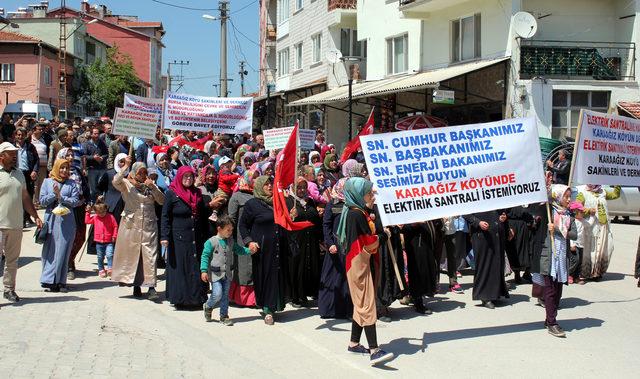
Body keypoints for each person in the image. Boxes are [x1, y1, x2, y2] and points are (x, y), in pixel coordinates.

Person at [337, 177, 394, 366]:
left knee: (360, 304)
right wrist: (383, 236)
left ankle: (354, 343)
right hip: (358, 264)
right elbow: (368, 242)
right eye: (369, 192)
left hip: (359, 263)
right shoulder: (356, 214)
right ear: (360, 194)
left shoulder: (358, 211)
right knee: (367, 304)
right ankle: (374, 349)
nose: (372, 195)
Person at [238, 176, 291, 325]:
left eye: (270, 184)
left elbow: (284, 221)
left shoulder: (278, 201)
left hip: (278, 245)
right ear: (259, 186)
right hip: (262, 248)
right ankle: (267, 310)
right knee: (265, 276)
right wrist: (249, 242)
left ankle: (274, 306)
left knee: (277, 275)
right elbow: (243, 225)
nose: (269, 187)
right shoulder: (252, 204)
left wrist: (290, 215)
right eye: (266, 184)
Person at [111, 159, 165, 300]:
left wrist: (153, 187)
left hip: (149, 225)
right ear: (134, 173)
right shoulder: (127, 184)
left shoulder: (150, 185)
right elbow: (115, 181)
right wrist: (125, 167)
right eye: (139, 172)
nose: (142, 175)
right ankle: (136, 285)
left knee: (150, 255)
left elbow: (162, 200)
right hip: (131, 224)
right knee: (134, 254)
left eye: (144, 172)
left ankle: (151, 286)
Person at [0, 142, 43, 302]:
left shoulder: (19, 173)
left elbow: (25, 197)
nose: (14, 157)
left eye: (15, 154)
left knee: (12, 260)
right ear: (1, 157)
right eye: (11, 154)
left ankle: (9, 289)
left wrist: (35, 216)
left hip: (16, 224)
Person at [161, 166, 208, 308]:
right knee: (181, 267)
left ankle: (196, 298)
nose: (188, 179)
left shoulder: (197, 193)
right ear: (180, 177)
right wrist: (165, 236)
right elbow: (165, 216)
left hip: (195, 236)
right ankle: (180, 299)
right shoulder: (171, 193)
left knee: (195, 265)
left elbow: (202, 215)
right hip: (178, 237)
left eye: (191, 176)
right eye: (185, 176)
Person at [200, 216, 259, 325]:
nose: (230, 232)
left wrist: (249, 251)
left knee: (225, 296)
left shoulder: (231, 241)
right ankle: (208, 306)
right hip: (215, 274)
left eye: (232, 230)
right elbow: (205, 256)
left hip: (227, 275)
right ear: (219, 229)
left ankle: (224, 316)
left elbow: (239, 250)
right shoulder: (211, 242)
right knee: (217, 293)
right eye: (228, 230)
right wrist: (203, 270)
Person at [539, 184, 577, 338]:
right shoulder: (548, 210)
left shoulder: (568, 214)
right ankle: (552, 322)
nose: (568, 199)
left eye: (569, 196)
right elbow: (535, 208)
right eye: (566, 196)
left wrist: (560, 229)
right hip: (550, 257)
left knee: (558, 291)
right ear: (558, 197)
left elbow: (574, 234)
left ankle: (549, 319)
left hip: (562, 257)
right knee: (550, 291)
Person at [39, 159, 82, 292]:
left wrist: (61, 197)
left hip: (67, 221)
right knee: (50, 250)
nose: (64, 171)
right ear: (57, 168)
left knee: (64, 249)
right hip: (51, 219)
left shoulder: (72, 184)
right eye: (62, 168)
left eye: (66, 168)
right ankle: (48, 280)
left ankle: (60, 281)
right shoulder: (47, 182)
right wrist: (54, 194)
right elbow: (42, 201)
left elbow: (75, 201)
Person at [319, 178, 353, 319]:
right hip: (335, 247)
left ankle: (348, 310)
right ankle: (329, 310)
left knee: (349, 279)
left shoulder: (354, 203)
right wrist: (330, 243)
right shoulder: (332, 204)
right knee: (332, 278)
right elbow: (326, 225)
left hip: (350, 246)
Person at [286, 177, 322, 308]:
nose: (301, 190)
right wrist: (291, 216)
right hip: (296, 241)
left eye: (303, 187)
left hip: (311, 240)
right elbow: (284, 222)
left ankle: (306, 294)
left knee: (309, 266)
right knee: (297, 267)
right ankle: (295, 296)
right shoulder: (289, 201)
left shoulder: (310, 201)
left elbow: (317, 221)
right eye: (298, 187)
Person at [464, 210, 510, 309]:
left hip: (497, 232)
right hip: (482, 234)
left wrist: (504, 218)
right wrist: (478, 222)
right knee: (484, 264)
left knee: (497, 264)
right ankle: (485, 296)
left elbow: (502, 210)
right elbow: (465, 212)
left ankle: (495, 293)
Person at [576, 184, 621, 280]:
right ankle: (587, 273)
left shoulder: (602, 191)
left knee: (607, 248)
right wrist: (588, 210)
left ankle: (598, 272)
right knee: (591, 250)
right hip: (591, 227)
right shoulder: (583, 193)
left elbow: (615, 195)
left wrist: (618, 183)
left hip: (604, 226)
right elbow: (576, 207)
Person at [227, 169, 258, 307]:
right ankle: (242, 298)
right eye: (254, 178)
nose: (256, 180)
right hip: (240, 237)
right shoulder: (236, 196)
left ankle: (257, 297)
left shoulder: (259, 196)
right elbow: (231, 219)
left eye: (258, 178)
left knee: (254, 266)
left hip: (256, 235)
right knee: (244, 267)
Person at [85, 200, 118, 278]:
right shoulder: (96, 217)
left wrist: (114, 236)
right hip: (99, 241)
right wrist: (88, 213)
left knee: (110, 254)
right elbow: (87, 221)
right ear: (96, 212)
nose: (101, 214)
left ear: (106, 210)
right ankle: (101, 270)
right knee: (100, 256)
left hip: (109, 240)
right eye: (99, 213)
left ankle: (110, 268)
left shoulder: (110, 217)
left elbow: (115, 226)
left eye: (103, 212)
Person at [14, 128, 40, 227]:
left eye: (22, 135)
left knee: (28, 195)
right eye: (18, 135)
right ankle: (21, 218)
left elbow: (37, 160)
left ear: (25, 136)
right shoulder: (12, 147)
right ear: (15, 135)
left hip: (28, 174)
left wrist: (34, 171)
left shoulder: (30, 147)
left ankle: (25, 218)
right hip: (16, 174)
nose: (20, 137)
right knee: (17, 196)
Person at [96, 153, 127, 225]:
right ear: (116, 161)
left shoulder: (129, 175)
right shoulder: (109, 173)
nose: (123, 164)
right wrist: (100, 196)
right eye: (121, 162)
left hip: (125, 204)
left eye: (125, 162)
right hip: (111, 204)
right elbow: (100, 187)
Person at [83, 126, 109, 202]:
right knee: (93, 188)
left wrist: (102, 158)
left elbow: (106, 154)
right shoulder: (86, 144)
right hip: (92, 169)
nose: (96, 135)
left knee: (101, 186)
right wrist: (93, 157)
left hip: (102, 168)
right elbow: (84, 156)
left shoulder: (102, 143)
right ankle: (93, 203)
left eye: (97, 134)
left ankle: (100, 203)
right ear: (91, 134)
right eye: (95, 134)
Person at [31, 122, 49, 207]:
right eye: (39, 129)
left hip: (44, 166)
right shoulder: (30, 139)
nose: (42, 131)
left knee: (42, 185)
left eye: (42, 129)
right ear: (34, 130)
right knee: (35, 185)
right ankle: (35, 202)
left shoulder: (43, 139)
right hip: (35, 166)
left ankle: (41, 202)